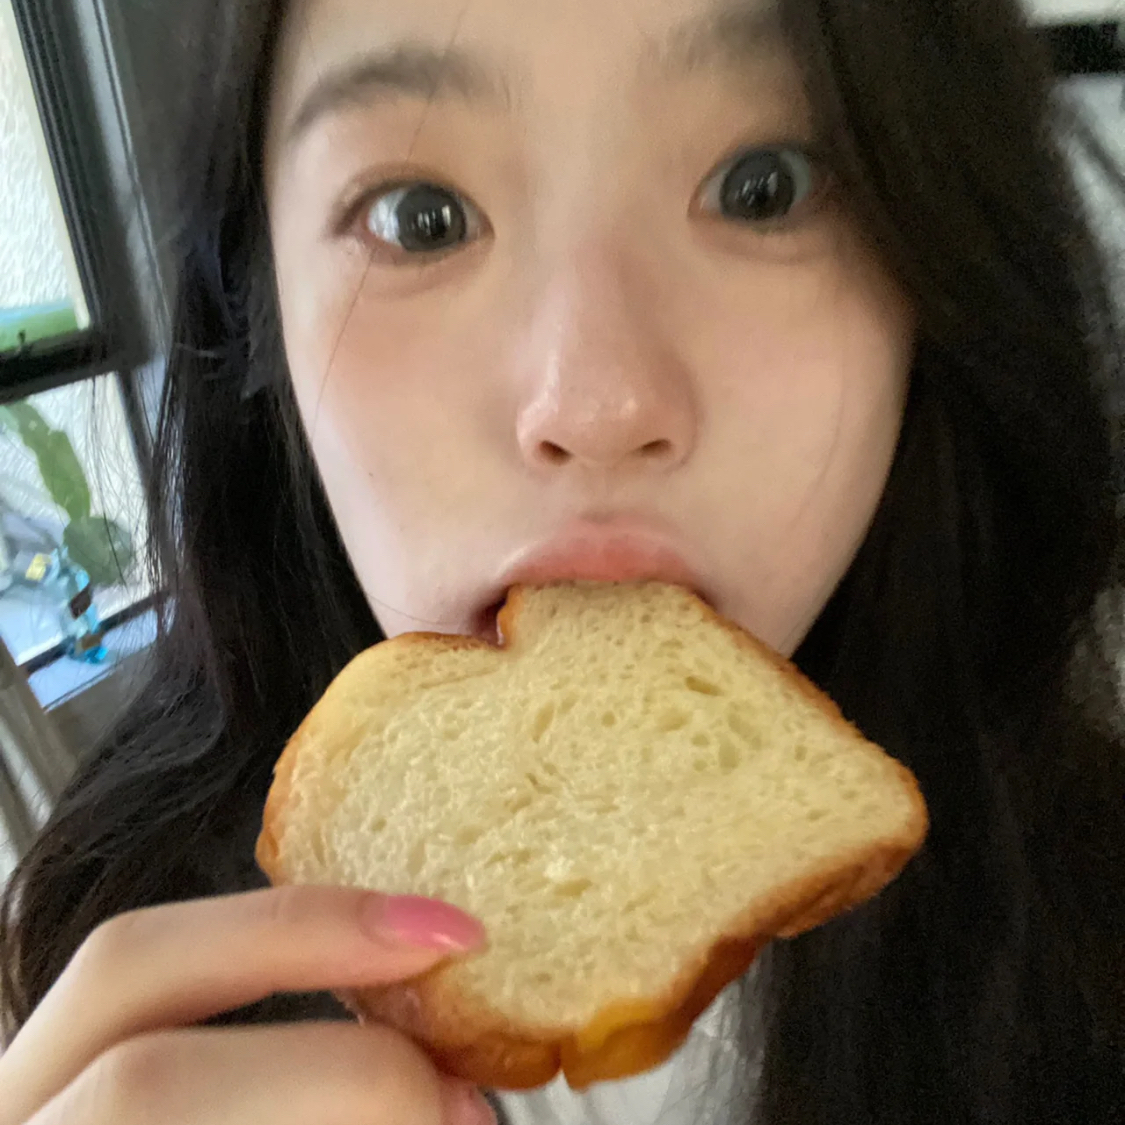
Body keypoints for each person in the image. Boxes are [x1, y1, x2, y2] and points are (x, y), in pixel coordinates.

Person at [2, 0, 1125, 1121]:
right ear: (264, 324)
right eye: (422, 218)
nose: (594, 405)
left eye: (764, 188)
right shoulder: (90, 970)